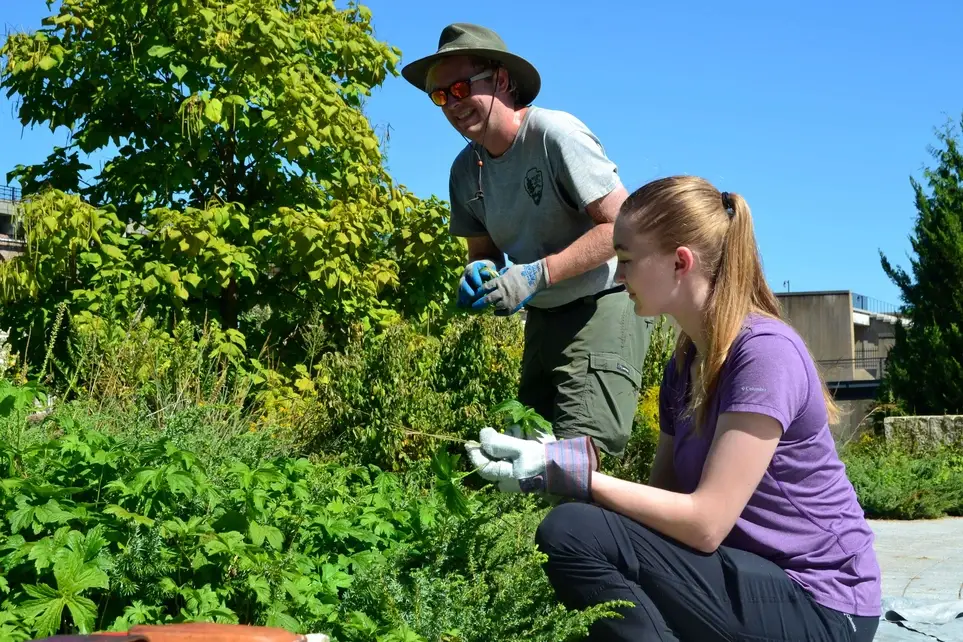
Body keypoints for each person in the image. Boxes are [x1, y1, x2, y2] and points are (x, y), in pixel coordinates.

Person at [465, 175, 882, 641]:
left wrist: (572, 476)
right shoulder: (685, 364)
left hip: (824, 605)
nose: (619, 277)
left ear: (680, 262)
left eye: (625, 260)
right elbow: (660, 508)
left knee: (571, 532)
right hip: (747, 579)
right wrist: (558, 459)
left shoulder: (764, 353)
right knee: (580, 531)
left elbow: (705, 523)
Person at [401, 23, 652, 458]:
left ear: (501, 80)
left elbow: (621, 227)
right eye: (441, 96)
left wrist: (538, 274)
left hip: (603, 302)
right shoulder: (464, 171)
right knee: (527, 458)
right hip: (543, 316)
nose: (453, 104)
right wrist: (479, 271)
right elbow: (482, 252)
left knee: (577, 455)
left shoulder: (556, 135)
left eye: (461, 87)